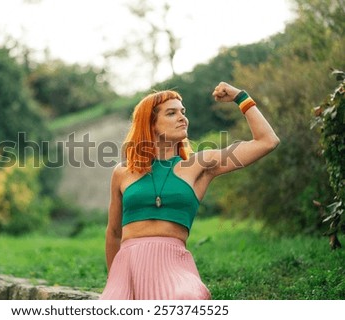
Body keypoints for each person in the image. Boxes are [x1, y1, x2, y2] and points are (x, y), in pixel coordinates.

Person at [99, 82, 280, 300]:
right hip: (127, 267)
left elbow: (267, 142)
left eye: (183, 112)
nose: (183, 117)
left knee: (186, 299)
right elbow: (114, 233)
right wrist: (114, 282)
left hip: (173, 264)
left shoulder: (199, 165)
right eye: (172, 113)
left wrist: (241, 97)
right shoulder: (123, 172)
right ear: (151, 123)